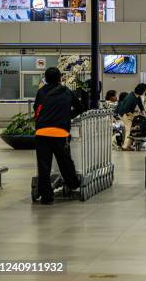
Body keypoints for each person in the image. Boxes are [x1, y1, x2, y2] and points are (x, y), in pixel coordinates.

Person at [33, 67, 84, 204]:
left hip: (42, 132)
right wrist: (68, 116)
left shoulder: (41, 92)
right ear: (60, 78)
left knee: (44, 166)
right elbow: (80, 107)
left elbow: (36, 109)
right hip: (60, 133)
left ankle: (46, 197)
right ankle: (73, 184)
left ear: (46, 78)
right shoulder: (67, 92)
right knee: (64, 161)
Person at [117, 83, 146, 151]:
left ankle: (128, 145)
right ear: (142, 91)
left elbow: (141, 106)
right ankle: (125, 146)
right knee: (129, 129)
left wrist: (145, 115)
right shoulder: (131, 97)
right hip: (123, 113)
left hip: (128, 113)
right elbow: (125, 109)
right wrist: (134, 116)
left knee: (131, 129)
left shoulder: (137, 96)